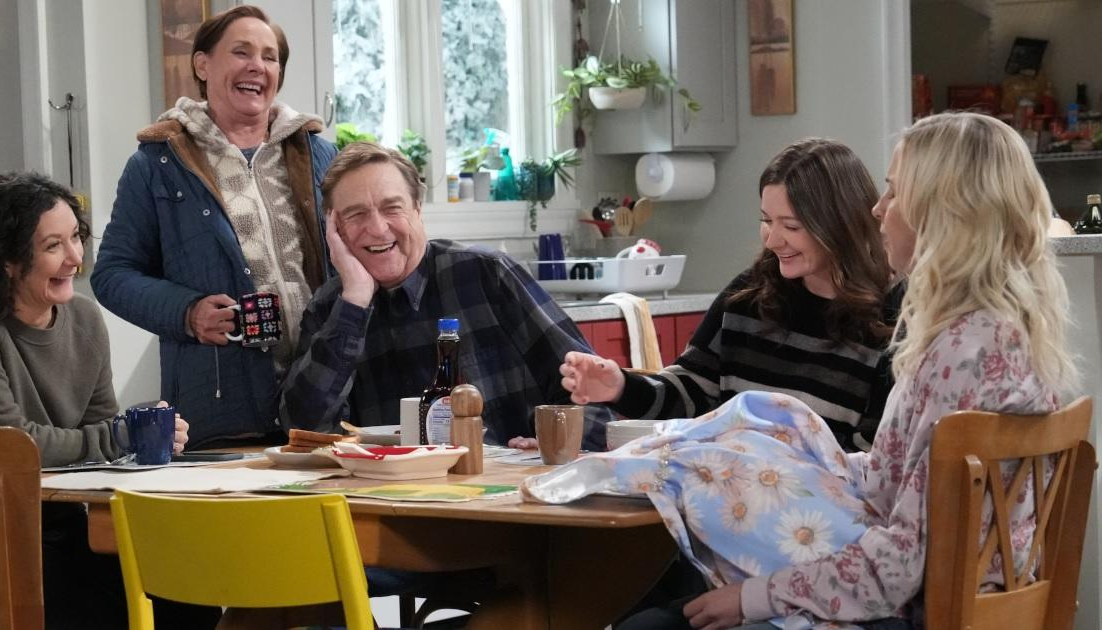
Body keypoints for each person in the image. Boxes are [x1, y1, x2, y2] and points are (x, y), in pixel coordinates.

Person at [608, 111, 1078, 628]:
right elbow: (897, 484)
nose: (877, 209)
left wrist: (754, 597)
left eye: (894, 192)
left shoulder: (961, 357)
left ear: (942, 212)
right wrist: (771, 456)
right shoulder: (998, 338)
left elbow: (900, 563)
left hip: (903, 613)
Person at [0, 171, 194, 629]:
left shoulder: (84, 318)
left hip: (60, 523)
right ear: (6, 259)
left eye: (76, 237)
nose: (76, 258)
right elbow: (10, 446)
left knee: (186, 599)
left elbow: (102, 435)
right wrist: (121, 437)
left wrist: (137, 439)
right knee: (102, 614)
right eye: (53, 246)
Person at [92, 4, 337, 448]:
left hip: (322, 405)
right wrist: (187, 312)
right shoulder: (157, 163)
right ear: (202, 65)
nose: (257, 66)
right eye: (241, 52)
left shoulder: (318, 154)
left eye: (269, 57)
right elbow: (111, 275)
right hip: (221, 412)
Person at [561, 138, 903, 453]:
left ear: (840, 224)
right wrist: (621, 387)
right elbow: (691, 392)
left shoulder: (893, 318)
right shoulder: (747, 296)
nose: (772, 240)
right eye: (767, 220)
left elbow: (874, 459)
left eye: (791, 226)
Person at [279, 141, 611, 450]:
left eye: (392, 208)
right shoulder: (331, 307)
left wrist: (557, 444)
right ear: (334, 229)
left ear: (417, 209)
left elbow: (592, 393)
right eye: (356, 214)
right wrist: (354, 302)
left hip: (506, 482)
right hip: (389, 488)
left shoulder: (485, 273)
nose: (378, 229)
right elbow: (304, 430)